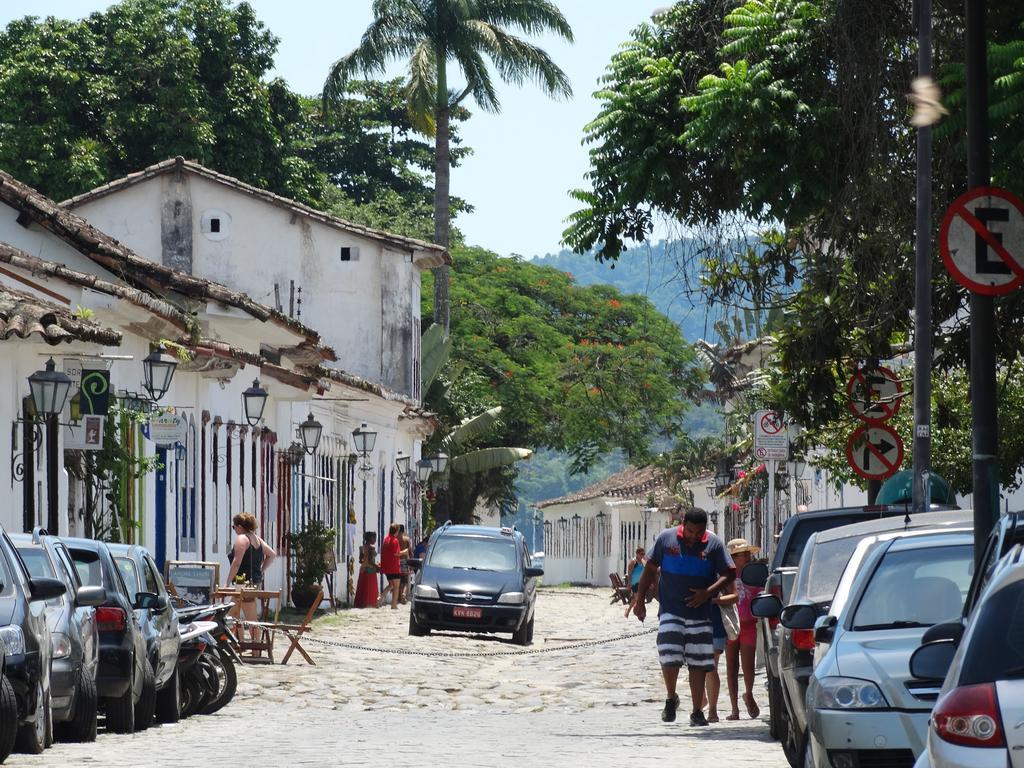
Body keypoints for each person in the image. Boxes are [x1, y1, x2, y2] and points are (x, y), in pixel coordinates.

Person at [634, 508, 736, 727]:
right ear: (683, 524)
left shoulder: (714, 544)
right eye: (689, 531)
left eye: (698, 532)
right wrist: (640, 600)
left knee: (699, 663)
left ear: (705, 529)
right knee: (669, 654)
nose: (693, 536)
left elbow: (730, 573)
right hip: (670, 609)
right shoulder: (666, 539)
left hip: (701, 614)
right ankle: (671, 697)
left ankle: (697, 710)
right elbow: (650, 569)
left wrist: (707, 593)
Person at [225, 512, 277, 642]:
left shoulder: (242, 539)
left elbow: (236, 563)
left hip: (243, 583)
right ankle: (239, 644)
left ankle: (255, 648)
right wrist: (260, 570)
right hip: (254, 582)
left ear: (239, 526)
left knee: (249, 617)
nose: (234, 530)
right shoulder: (257, 539)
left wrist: (227, 582)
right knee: (232, 615)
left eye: (234, 527)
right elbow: (271, 554)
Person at [725, 538, 761, 720]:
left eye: (747, 553)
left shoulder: (754, 575)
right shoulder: (725, 577)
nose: (746, 557)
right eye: (742, 554)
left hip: (748, 625)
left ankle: (749, 693)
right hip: (731, 624)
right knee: (731, 666)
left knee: (748, 666)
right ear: (733, 557)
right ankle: (734, 708)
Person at [704, 579, 738, 723]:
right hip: (694, 621)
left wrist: (715, 600)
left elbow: (735, 596)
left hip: (716, 623)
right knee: (700, 668)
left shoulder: (721, 569)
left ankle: (712, 709)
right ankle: (702, 703)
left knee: (711, 666)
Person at [379, 523, 408, 610]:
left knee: (391, 585)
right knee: (396, 586)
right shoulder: (394, 541)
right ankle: (394, 604)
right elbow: (396, 553)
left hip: (386, 567)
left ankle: (379, 598)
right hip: (394, 567)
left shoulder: (385, 539)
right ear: (396, 531)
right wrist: (405, 552)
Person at [354, 531, 379, 609]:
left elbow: (360, 560)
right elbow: (368, 561)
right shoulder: (371, 548)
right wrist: (376, 567)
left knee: (362, 588)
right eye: (374, 537)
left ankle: (362, 604)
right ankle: (370, 604)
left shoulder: (362, 547)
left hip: (363, 570)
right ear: (370, 538)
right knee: (370, 589)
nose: (375, 539)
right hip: (370, 570)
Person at [624, 547, 647, 618]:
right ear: (637, 554)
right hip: (634, 582)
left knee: (636, 598)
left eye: (644, 554)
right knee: (637, 597)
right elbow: (629, 573)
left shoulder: (643, 561)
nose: (643, 555)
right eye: (641, 554)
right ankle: (633, 611)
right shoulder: (633, 562)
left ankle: (631, 609)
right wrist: (629, 583)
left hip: (641, 582)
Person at [397, 524, 413, 604]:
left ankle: (399, 597)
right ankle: (403, 593)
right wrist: (412, 562)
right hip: (405, 561)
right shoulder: (406, 539)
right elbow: (410, 551)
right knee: (405, 581)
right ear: (403, 531)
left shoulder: (395, 539)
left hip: (396, 562)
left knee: (398, 581)